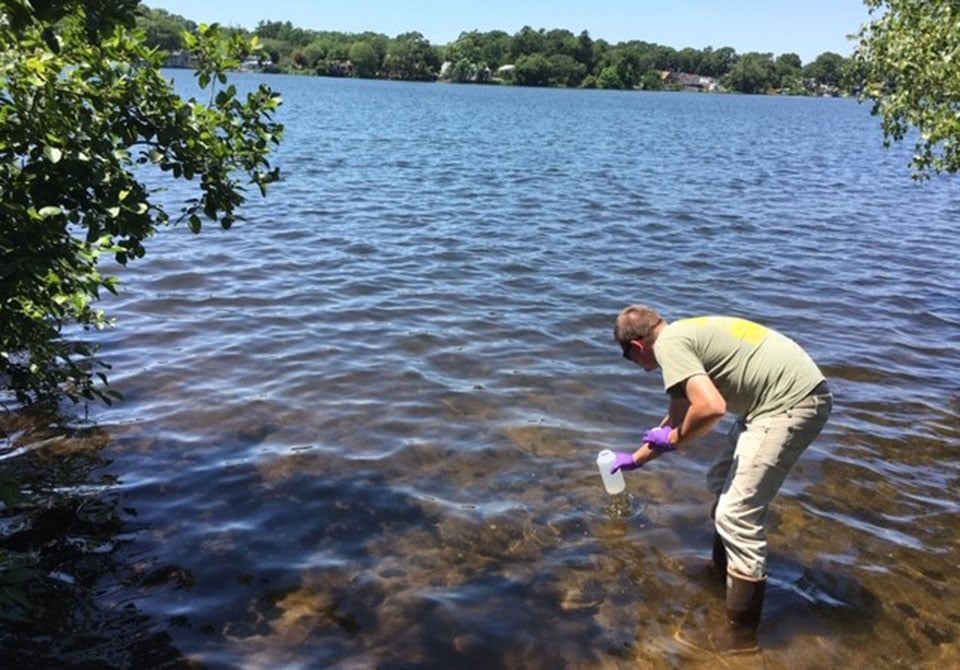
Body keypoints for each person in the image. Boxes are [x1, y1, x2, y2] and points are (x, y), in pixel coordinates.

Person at [609, 305, 832, 655]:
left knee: (736, 514)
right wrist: (635, 460)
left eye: (632, 361)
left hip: (791, 403)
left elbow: (710, 408)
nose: (641, 369)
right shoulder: (680, 335)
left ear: (637, 347)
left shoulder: (669, 348)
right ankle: (720, 570)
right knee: (719, 481)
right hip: (771, 403)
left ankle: (741, 638)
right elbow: (680, 414)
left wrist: (675, 439)